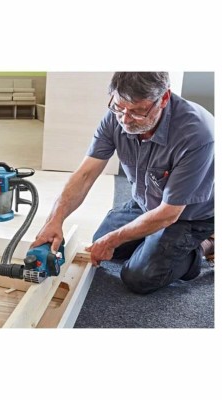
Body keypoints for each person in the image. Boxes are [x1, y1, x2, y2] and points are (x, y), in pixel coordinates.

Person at [31, 72, 214, 294]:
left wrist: (114, 239)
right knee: (102, 242)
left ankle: (204, 245)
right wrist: (54, 219)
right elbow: (85, 175)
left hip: (189, 215)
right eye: (119, 107)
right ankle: (154, 241)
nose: (125, 120)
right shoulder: (116, 117)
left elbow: (169, 214)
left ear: (164, 98)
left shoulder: (197, 134)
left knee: (139, 277)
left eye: (137, 111)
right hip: (147, 202)